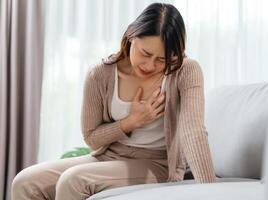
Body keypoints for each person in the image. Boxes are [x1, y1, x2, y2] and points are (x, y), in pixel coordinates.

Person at [11, 3, 216, 200]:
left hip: (158, 162)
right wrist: (132, 121)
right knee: (25, 182)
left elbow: (193, 131)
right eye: (145, 53)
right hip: (109, 156)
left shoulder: (186, 71)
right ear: (131, 36)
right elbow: (91, 138)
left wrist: (213, 192)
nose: (150, 64)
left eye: (161, 59)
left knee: (74, 181)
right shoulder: (100, 75)